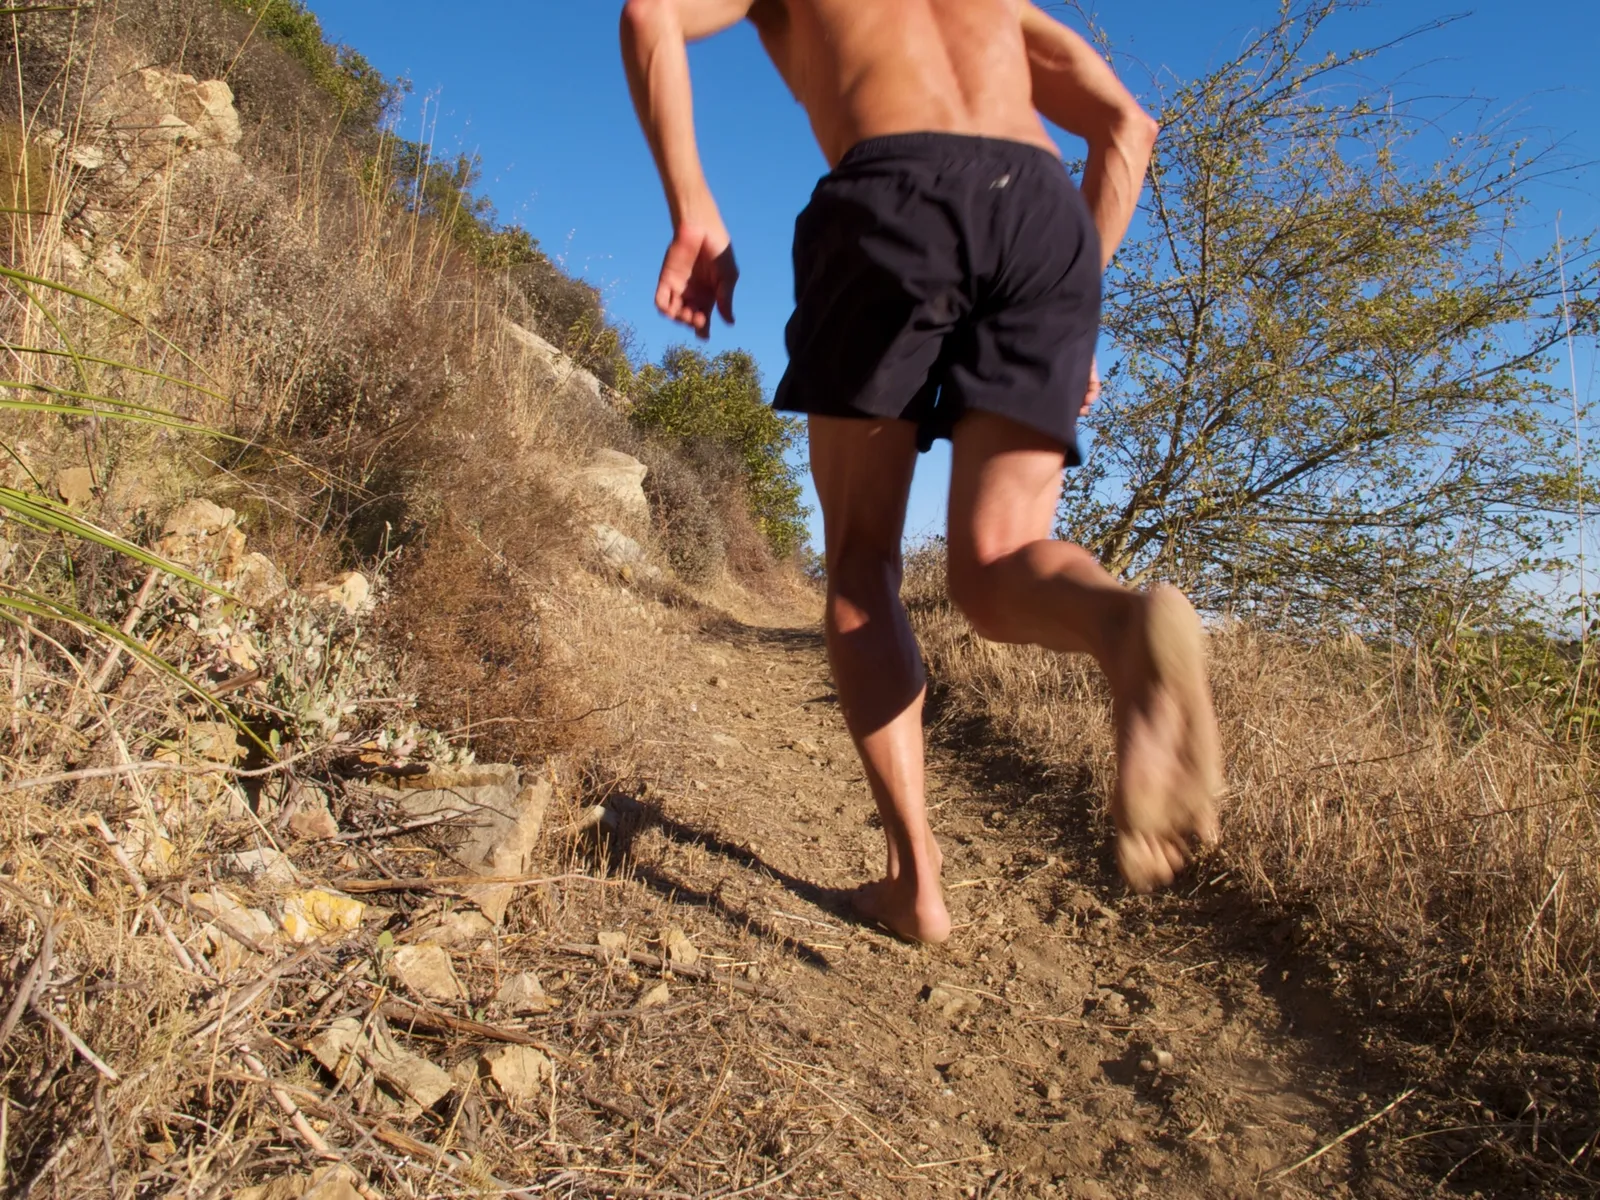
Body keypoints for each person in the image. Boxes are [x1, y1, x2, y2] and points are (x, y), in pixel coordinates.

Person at [620, 0, 1222, 944]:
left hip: (894, 192)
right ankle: (1124, 621)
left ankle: (915, 883)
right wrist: (1071, 312)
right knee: (1002, 562)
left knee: (861, 568)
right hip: (1042, 212)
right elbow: (1128, 128)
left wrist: (692, 204)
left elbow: (650, 12)